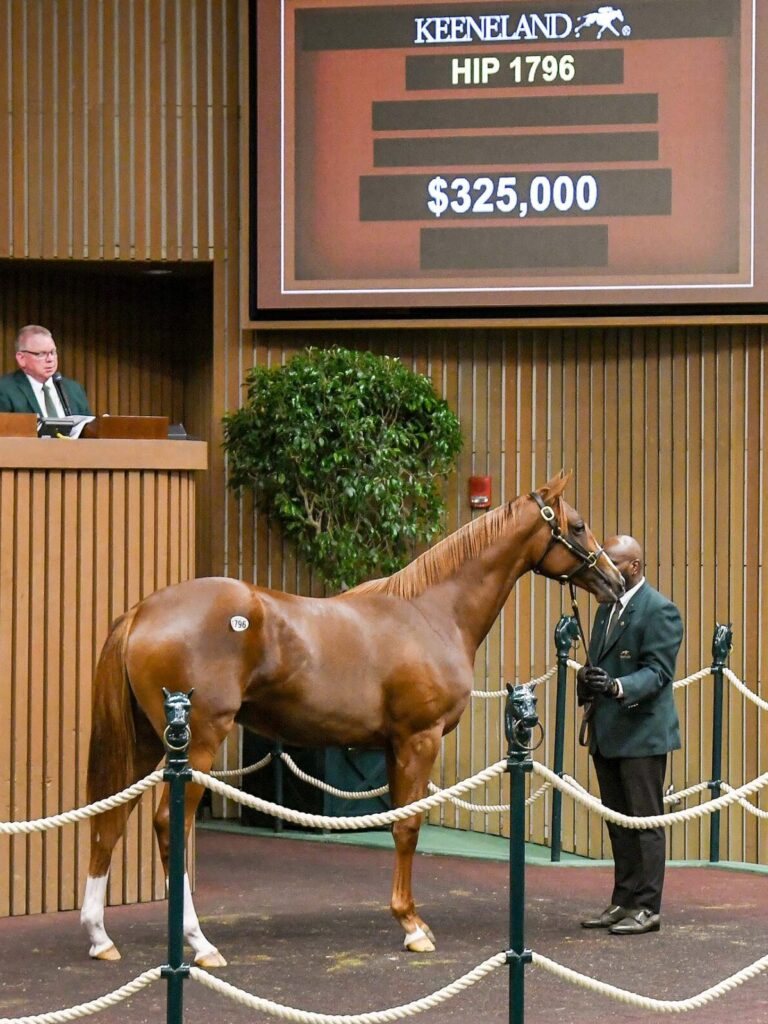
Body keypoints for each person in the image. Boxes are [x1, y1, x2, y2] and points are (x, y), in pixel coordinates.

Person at [577, 535, 683, 935]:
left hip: (642, 735)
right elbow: (599, 665)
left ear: (634, 566)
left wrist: (618, 687)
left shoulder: (660, 611)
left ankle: (647, 907)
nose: (604, 567)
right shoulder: (605, 610)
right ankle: (622, 900)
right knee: (618, 824)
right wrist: (588, 680)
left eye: (613, 562)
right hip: (608, 734)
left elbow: (657, 673)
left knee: (646, 823)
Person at [0, 325, 92, 416]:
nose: (50, 359)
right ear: (21, 358)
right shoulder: (5, 390)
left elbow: (88, 427)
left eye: (52, 352)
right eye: (41, 354)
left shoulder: (74, 389)